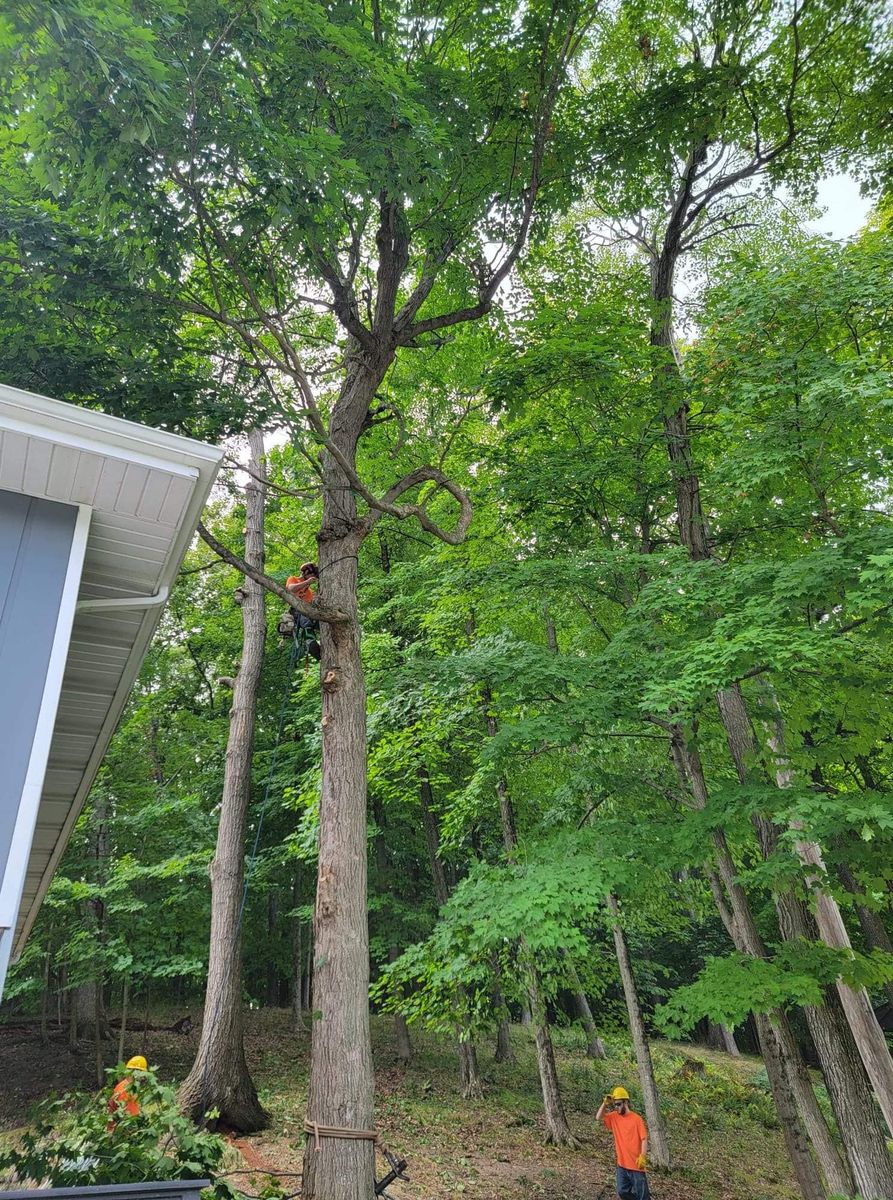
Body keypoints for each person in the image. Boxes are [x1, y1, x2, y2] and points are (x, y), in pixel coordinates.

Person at [596, 1086, 651, 1200]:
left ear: (626, 1102)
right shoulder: (614, 1116)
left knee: (643, 1196)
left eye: (619, 1104)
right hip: (622, 1165)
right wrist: (605, 1103)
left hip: (636, 1165)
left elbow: (644, 1139)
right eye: (615, 1104)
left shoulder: (637, 1119)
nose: (617, 1107)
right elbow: (598, 1117)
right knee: (622, 1192)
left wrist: (643, 1156)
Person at [284, 562, 321, 660]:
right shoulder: (293, 579)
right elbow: (290, 589)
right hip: (296, 612)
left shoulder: (309, 592)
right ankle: (310, 642)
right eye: (312, 575)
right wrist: (307, 582)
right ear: (306, 572)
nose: (313, 577)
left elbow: (311, 605)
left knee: (318, 620)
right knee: (304, 618)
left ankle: (316, 645)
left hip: (308, 613)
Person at [107, 1054, 148, 1128]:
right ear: (137, 1072)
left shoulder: (124, 1085)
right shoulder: (126, 1089)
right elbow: (128, 1114)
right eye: (143, 1073)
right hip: (124, 1130)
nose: (143, 1077)